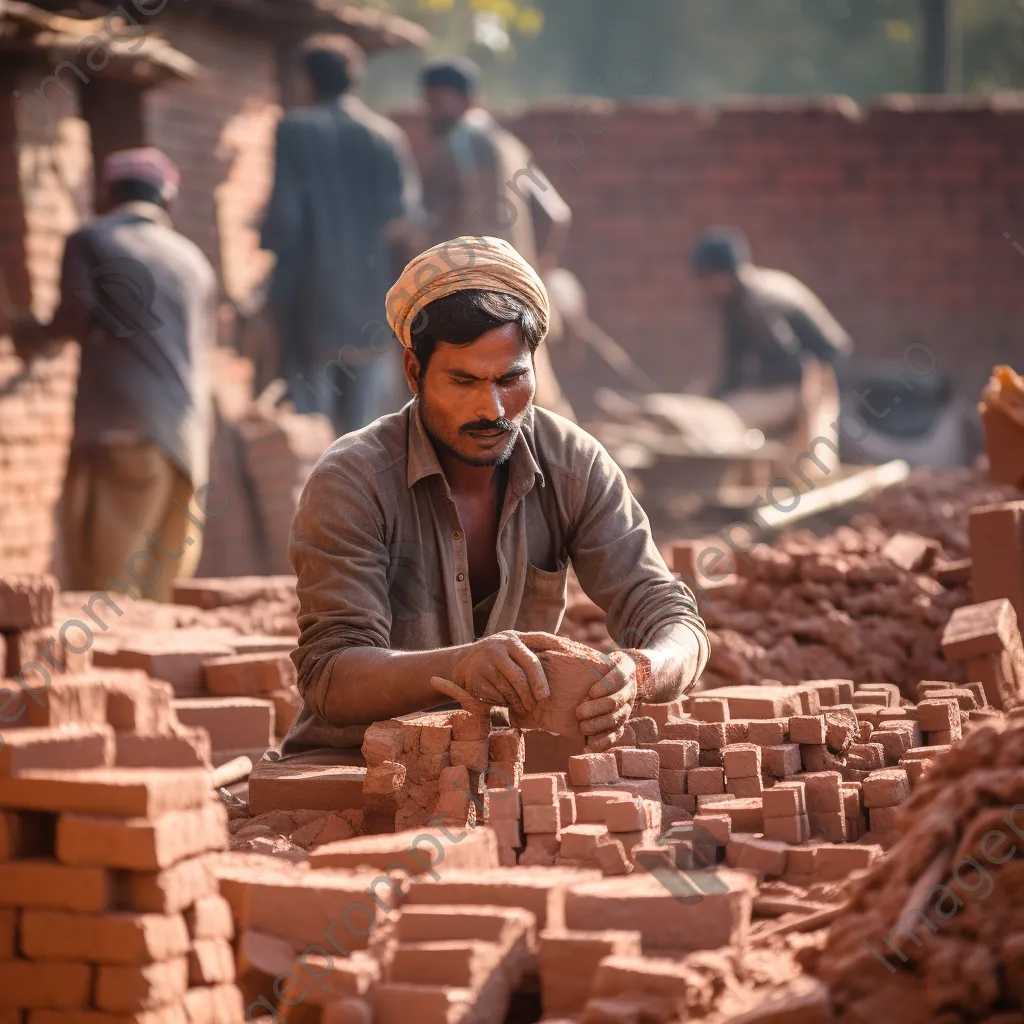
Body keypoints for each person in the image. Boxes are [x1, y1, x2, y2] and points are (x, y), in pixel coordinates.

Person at [278, 236, 709, 764]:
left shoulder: (574, 464)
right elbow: (329, 675)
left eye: (511, 379)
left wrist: (640, 672)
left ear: (534, 368)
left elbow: (674, 620)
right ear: (414, 372)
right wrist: (460, 667)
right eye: (463, 381)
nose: (493, 408)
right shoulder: (353, 479)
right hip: (351, 772)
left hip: (497, 778)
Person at [8, 148, 216, 600]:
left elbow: (77, 315)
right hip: (185, 447)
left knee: (104, 598)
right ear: (168, 200)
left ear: (105, 194)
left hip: (121, 438)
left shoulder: (92, 240)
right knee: (158, 599)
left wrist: (31, 333)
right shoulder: (193, 260)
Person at [260, 34, 423, 435]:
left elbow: (285, 219)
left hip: (309, 300)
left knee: (310, 429)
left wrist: (269, 285)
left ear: (307, 80)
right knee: (364, 434)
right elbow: (402, 221)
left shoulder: (295, 129)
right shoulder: (385, 136)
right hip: (374, 304)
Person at [419, 58, 575, 420]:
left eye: (437, 102)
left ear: (467, 99)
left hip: (466, 299)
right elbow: (557, 216)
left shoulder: (450, 150)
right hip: (518, 294)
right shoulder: (510, 146)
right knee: (532, 397)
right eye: (428, 103)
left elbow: (428, 229)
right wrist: (537, 273)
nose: (432, 113)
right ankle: (567, 469)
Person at [692, 227, 854, 435]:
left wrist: (748, 382)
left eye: (708, 279)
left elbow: (793, 365)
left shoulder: (757, 302)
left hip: (823, 375)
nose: (705, 288)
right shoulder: (737, 299)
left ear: (723, 274)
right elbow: (734, 362)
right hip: (801, 374)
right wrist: (716, 394)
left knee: (731, 417)